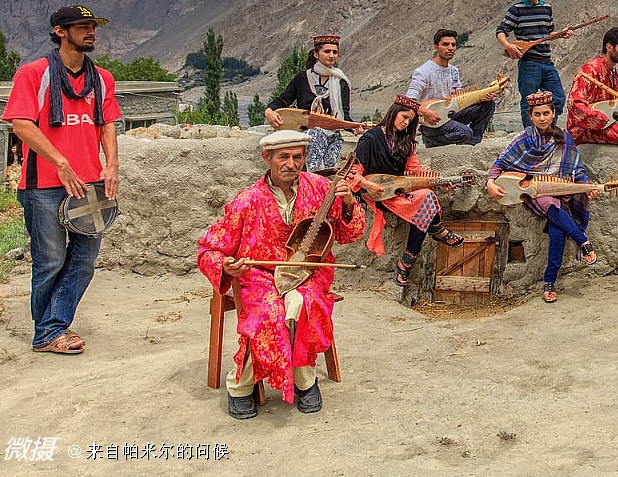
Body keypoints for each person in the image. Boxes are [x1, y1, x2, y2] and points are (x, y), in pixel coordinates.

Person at [197, 130, 365, 418]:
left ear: (305, 157)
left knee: (302, 304)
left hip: (309, 273)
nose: (291, 163)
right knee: (269, 312)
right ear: (267, 158)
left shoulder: (320, 189)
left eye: (297, 157)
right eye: (283, 157)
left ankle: (304, 380)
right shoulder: (247, 200)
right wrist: (225, 265)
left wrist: (349, 202)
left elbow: (350, 233)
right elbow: (209, 249)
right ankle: (240, 386)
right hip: (260, 275)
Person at [2, 5, 123, 356]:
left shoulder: (101, 78)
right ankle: (49, 331)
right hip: (43, 185)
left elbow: (107, 124)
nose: (91, 32)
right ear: (60, 31)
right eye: (82, 26)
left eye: (93, 26)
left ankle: (52, 326)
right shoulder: (33, 73)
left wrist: (112, 164)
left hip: (91, 185)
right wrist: (60, 162)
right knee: (51, 260)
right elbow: (21, 124)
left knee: (84, 260)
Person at [484, 91, 600, 303]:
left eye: (546, 113)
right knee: (547, 201)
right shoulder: (523, 139)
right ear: (530, 116)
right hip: (533, 191)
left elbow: (577, 170)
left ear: (553, 113)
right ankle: (582, 241)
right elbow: (499, 164)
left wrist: (586, 187)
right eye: (537, 114)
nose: (542, 118)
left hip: (560, 191)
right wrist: (491, 183)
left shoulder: (563, 138)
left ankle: (549, 281)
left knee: (558, 233)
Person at [346, 95, 465, 287]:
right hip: (378, 192)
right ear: (393, 113)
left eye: (410, 120)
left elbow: (416, 170)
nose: (406, 123)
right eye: (404, 117)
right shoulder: (370, 139)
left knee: (426, 198)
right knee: (426, 201)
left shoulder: (406, 141)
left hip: (397, 188)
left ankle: (409, 260)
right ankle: (434, 232)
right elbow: (353, 172)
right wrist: (368, 185)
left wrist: (438, 181)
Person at [264, 34, 361, 174]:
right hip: (307, 132)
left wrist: (353, 128)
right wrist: (269, 111)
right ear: (316, 54)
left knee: (331, 160)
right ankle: (313, 176)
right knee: (317, 134)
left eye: (334, 52)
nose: (331, 55)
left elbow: (343, 115)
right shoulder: (302, 78)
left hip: (332, 134)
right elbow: (283, 100)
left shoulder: (341, 82)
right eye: (327, 51)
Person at [496, 0, 573, 128]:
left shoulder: (547, 8)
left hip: (546, 62)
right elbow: (501, 31)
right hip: (529, 64)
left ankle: (547, 131)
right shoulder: (516, 10)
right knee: (528, 102)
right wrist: (508, 46)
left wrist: (561, 34)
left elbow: (547, 34)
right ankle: (530, 136)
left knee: (558, 98)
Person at [406, 28, 496, 148]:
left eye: (453, 45)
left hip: (450, 114)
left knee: (488, 104)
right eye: (445, 44)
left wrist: (480, 98)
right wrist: (425, 112)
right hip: (432, 123)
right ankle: (433, 140)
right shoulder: (423, 72)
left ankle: (470, 144)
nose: (450, 48)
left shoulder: (454, 71)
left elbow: (458, 98)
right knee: (464, 132)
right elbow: (407, 101)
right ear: (436, 47)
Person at [567, 27, 618, 148]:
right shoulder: (589, 70)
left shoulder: (612, 71)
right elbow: (574, 104)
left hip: (609, 118)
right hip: (586, 128)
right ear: (609, 47)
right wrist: (601, 119)